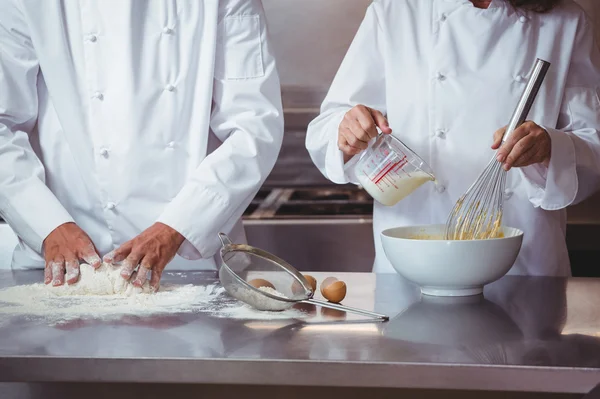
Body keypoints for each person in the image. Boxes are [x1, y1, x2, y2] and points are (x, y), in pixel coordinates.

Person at [0, 0, 283, 290]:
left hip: (188, 263)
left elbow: (254, 126)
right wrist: (46, 225)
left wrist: (179, 226)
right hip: (62, 261)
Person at [306, 0, 600, 275]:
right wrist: (347, 131)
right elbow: (328, 128)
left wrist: (550, 148)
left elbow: (592, 146)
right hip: (413, 261)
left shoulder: (567, 21)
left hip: (524, 264)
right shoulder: (396, 11)